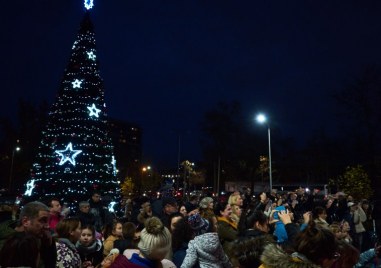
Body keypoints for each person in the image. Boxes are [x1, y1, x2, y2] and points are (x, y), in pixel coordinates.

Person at [0, 201, 57, 268]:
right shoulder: (6, 244)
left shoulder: (39, 238)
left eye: (48, 221)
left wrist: (49, 246)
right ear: (25, 221)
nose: (48, 226)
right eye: (43, 220)